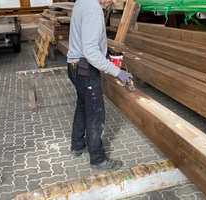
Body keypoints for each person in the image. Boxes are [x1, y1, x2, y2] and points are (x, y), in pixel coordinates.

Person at [67, 0, 133, 171]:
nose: (114, 1)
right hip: (86, 70)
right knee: (96, 113)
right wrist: (117, 72)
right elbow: (90, 53)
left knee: (82, 106)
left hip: (74, 65)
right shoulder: (94, 9)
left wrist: (105, 48)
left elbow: (86, 37)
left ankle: (77, 145)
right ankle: (97, 158)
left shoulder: (82, 1)